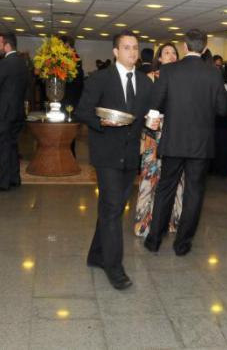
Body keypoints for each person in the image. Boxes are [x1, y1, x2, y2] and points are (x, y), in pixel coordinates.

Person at [75, 30, 154, 290]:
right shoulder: (100, 79)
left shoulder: (144, 83)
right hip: (106, 153)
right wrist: (101, 122)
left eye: (135, 47)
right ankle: (114, 267)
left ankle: (96, 254)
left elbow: (148, 114)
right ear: (116, 51)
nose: (133, 52)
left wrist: (153, 121)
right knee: (112, 208)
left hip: (130, 155)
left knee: (115, 207)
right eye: (127, 47)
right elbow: (82, 111)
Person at [144, 29, 227, 256]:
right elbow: (223, 109)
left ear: (185, 46)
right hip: (201, 144)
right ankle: (182, 244)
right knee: (194, 193)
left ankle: (154, 240)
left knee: (165, 189)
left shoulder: (169, 70)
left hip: (174, 140)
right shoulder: (213, 74)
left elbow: (155, 103)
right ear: (205, 47)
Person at [134, 43, 183, 237]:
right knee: (150, 177)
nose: (171, 56)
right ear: (159, 58)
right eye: (166, 53)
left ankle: (171, 222)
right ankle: (144, 223)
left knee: (174, 180)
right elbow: (141, 106)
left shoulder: (181, 79)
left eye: (174, 53)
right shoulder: (150, 78)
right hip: (153, 133)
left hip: (175, 133)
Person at [0, 33, 29, 192]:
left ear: (7, 45)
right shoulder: (23, 63)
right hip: (17, 111)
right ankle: (14, 178)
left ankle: (3, 182)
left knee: (2, 147)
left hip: (3, 111)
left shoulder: (4, 63)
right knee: (12, 146)